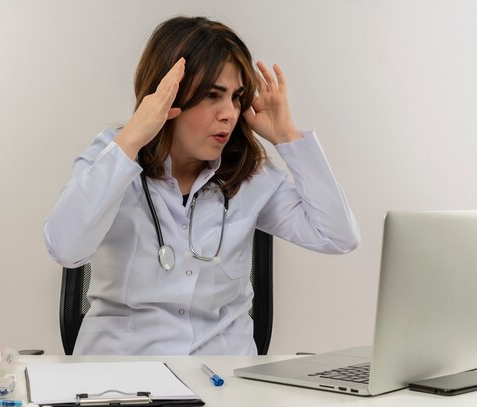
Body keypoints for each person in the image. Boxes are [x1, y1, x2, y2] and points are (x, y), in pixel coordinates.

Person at [44, 16, 360, 355]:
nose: (230, 114)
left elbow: (338, 237)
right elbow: (65, 248)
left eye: (237, 97)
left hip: (224, 379)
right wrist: (133, 138)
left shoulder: (250, 175)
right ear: (168, 97)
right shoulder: (114, 157)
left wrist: (287, 138)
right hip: (122, 377)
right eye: (213, 95)